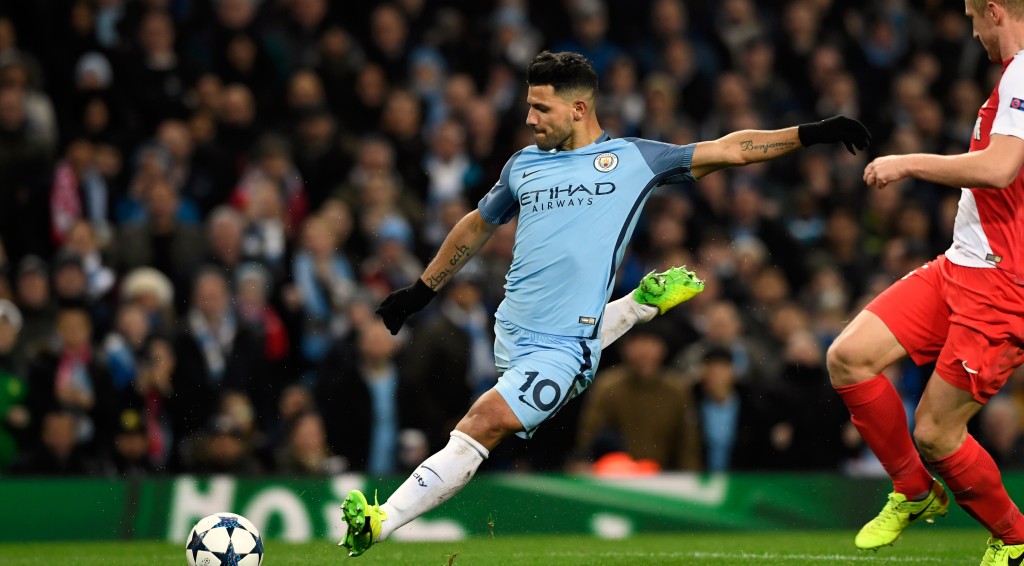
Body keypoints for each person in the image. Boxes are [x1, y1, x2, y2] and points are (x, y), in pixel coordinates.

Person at [339, 50, 869, 557]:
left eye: (540, 107)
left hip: (565, 351)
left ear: (578, 107)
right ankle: (639, 304)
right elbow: (477, 226)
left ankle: (383, 522)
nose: (529, 119)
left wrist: (812, 133)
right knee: (493, 409)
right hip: (512, 332)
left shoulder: (636, 159)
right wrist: (420, 291)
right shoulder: (524, 165)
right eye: (528, 105)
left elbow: (731, 148)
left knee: (482, 422)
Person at [832, 2, 1024, 563]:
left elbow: (999, 168)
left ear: (994, 11)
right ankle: (915, 491)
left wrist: (908, 162)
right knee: (849, 357)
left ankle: (1014, 538)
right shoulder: (1012, 75)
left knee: (937, 433)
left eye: (972, 17)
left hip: (1001, 284)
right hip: (960, 264)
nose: (970, 29)